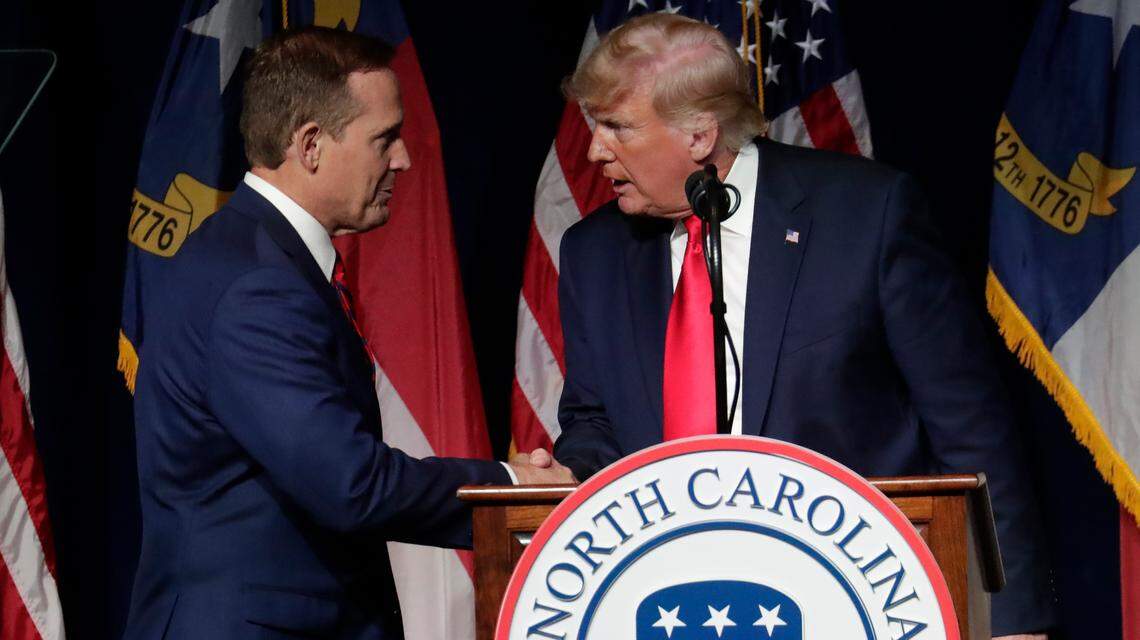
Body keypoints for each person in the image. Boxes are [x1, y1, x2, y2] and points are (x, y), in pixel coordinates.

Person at [551, 14, 1052, 639]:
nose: (595, 149)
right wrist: (565, 473)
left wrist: (1011, 618)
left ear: (700, 135)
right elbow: (593, 420)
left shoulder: (867, 215)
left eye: (616, 127)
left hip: (864, 600)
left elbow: (971, 426)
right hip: (670, 603)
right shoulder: (592, 252)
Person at [123, 27, 570, 640]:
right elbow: (350, 484)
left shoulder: (251, 255)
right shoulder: (257, 284)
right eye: (384, 138)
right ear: (310, 146)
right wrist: (512, 487)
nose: (403, 159)